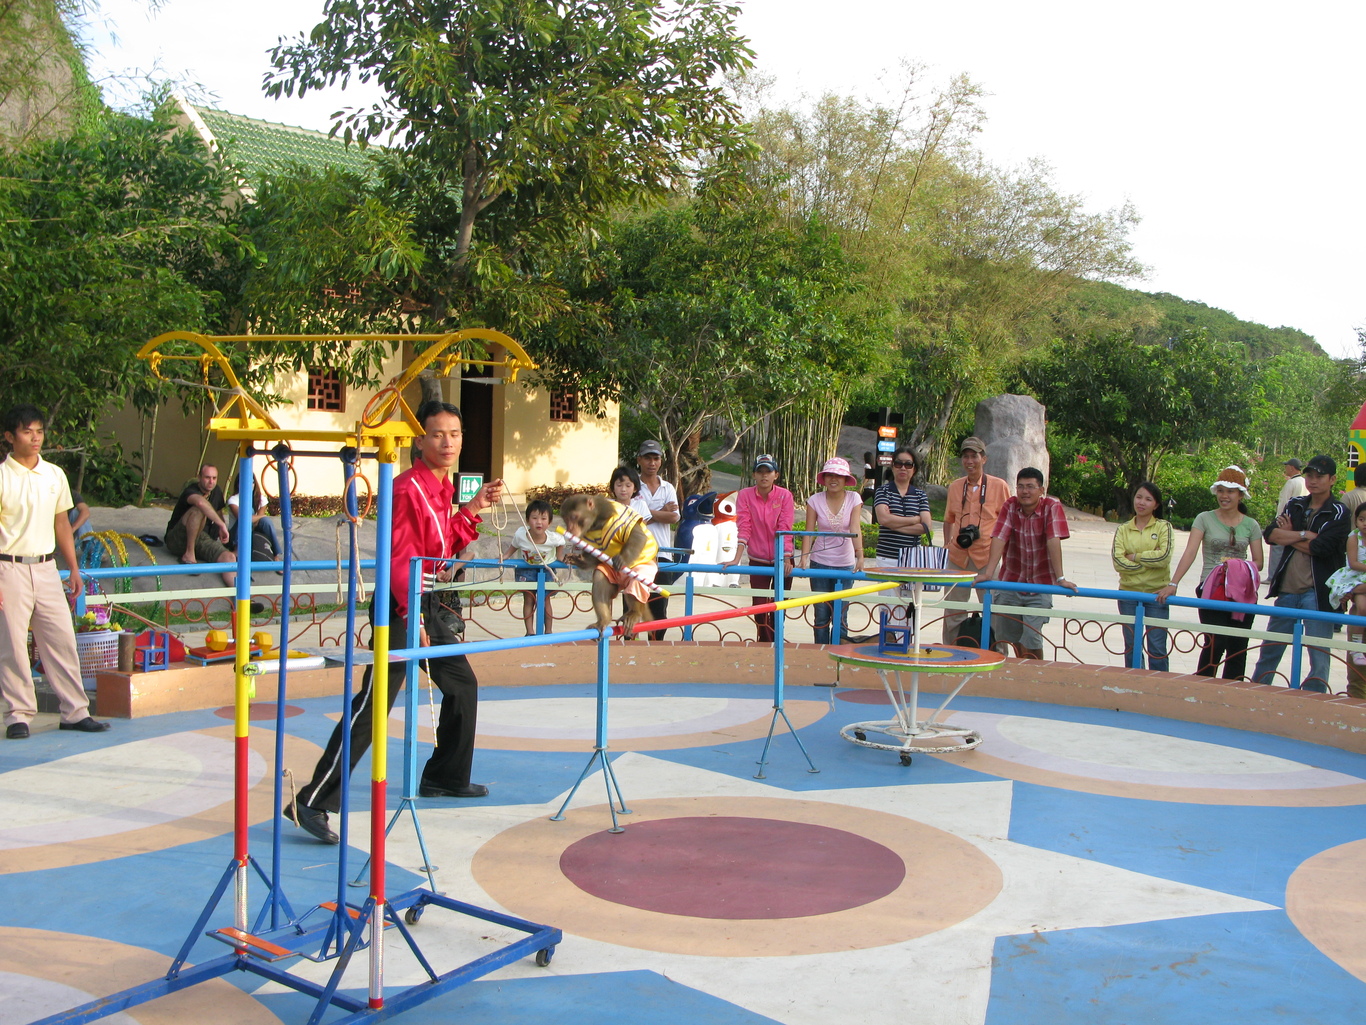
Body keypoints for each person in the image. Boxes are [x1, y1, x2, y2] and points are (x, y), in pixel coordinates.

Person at [287, 400, 504, 844]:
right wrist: (412, 614)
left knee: (461, 685)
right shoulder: (408, 489)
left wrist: (473, 507)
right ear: (419, 441)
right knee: (374, 704)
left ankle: (444, 776)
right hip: (402, 602)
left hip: (426, 599)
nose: (448, 442)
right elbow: (402, 558)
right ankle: (311, 800)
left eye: (455, 434)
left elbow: (439, 545)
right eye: (438, 434)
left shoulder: (441, 486)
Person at [0, 404, 110, 738]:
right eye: (27, 432)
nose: (35, 438)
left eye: (39, 431)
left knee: (61, 638)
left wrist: (73, 569)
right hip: (8, 567)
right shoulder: (2, 476)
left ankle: (75, 712)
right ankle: (18, 715)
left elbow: (61, 523)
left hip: (47, 567)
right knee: (13, 644)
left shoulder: (54, 474)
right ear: (9, 437)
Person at [1250, 455, 1349, 692]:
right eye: (1309, 476)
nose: (1313, 481)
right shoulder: (1295, 504)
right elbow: (1271, 535)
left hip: (1317, 592)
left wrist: (1290, 535)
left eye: (1319, 476)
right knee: (1270, 649)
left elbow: (1322, 548)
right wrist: (1304, 535)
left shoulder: (1338, 511)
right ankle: (1256, 693)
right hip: (1287, 589)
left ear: (1332, 479)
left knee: (1319, 655)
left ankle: (1314, 700)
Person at [1158, 466, 1264, 680]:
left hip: (1242, 591)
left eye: (1230, 491)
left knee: (1238, 647)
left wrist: (1236, 566)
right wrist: (1173, 583)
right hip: (1211, 588)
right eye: (1221, 490)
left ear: (1241, 494)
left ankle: (1232, 691)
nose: (1224, 496)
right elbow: (1190, 552)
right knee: (1215, 642)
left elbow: (1259, 562)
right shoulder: (1204, 518)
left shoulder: (1251, 525)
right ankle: (1203, 687)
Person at [974, 467, 1077, 660]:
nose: (1025, 491)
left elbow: (1053, 539)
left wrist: (1060, 578)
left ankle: (1036, 672)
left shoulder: (1051, 506)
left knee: (1032, 637)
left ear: (1041, 490)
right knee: (1010, 636)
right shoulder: (1010, 506)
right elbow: (999, 537)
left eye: (1030, 487)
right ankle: (1022, 668)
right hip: (1012, 581)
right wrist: (988, 573)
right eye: (1020, 486)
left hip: (1040, 584)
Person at [941, 437, 1011, 644]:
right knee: (953, 610)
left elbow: (1008, 522)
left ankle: (997, 651)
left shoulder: (999, 486)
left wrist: (1005, 555)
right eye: (965, 456)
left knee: (994, 610)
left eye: (974, 456)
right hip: (958, 556)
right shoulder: (955, 486)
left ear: (984, 458)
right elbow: (948, 519)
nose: (969, 461)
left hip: (987, 557)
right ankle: (951, 649)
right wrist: (947, 544)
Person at [726, 454, 795, 643]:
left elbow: (785, 527)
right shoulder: (745, 495)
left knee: (779, 606)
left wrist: (786, 558)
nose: (764, 475)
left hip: (783, 557)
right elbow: (744, 526)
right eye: (760, 471)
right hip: (758, 558)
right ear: (754, 475)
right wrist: (736, 558)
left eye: (768, 472)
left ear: (776, 475)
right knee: (759, 606)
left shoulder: (785, 495)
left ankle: (776, 643)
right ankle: (766, 644)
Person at [799, 457, 864, 645]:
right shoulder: (815, 500)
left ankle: (839, 654)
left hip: (845, 564)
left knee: (841, 616)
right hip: (820, 562)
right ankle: (820, 654)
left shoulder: (854, 498)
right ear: (824, 478)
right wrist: (804, 558)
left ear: (846, 479)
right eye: (829, 475)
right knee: (821, 615)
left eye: (838, 476)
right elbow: (809, 531)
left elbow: (855, 527)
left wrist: (860, 555)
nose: (833, 479)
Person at [1112, 481, 1174, 671]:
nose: (1141, 502)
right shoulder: (1123, 529)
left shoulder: (1164, 527)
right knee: (1131, 646)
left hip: (1157, 594)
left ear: (1156, 505)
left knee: (1157, 647)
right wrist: (1147, 565)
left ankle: (1158, 684)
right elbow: (1118, 562)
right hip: (1129, 594)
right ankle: (1134, 682)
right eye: (1139, 497)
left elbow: (1163, 557)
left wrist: (1135, 557)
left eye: (1148, 499)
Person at [165, 464, 240, 587]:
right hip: (178, 538)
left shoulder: (216, 491)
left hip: (202, 538)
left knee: (229, 557)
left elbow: (219, 512)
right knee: (199, 509)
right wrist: (221, 524)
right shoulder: (190, 490)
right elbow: (200, 502)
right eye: (207, 477)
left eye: (214, 478)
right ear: (199, 477)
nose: (211, 482)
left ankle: (239, 595)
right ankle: (189, 554)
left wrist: (222, 530)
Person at [635, 440, 679, 640]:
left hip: (663, 555)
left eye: (656, 458)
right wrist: (662, 511)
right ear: (639, 460)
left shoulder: (668, 487)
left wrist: (645, 513)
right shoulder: (632, 486)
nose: (652, 463)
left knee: (659, 606)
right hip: (637, 555)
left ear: (661, 461)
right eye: (647, 458)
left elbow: (674, 517)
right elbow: (632, 518)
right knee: (634, 603)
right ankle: (630, 647)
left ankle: (656, 646)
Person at [504, 499, 564, 635]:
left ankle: (548, 632)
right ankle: (530, 632)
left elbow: (562, 542)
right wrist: (506, 555)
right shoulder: (521, 534)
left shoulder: (553, 538)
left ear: (549, 522)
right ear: (527, 520)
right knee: (528, 599)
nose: (539, 522)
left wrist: (559, 556)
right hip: (526, 569)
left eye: (543, 518)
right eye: (534, 518)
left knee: (545, 600)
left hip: (546, 570)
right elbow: (514, 545)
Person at [872, 446, 932, 565]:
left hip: (913, 558)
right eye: (898, 464)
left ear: (914, 469)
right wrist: (914, 520)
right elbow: (883, 519)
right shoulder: (883, 491)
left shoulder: (920, 495)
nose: (903, 468)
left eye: (908, 464)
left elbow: (926, 527)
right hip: (887, 557)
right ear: (892, 467)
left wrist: (893, 526)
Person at [1325, 502, 1366, 668]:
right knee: (1362, 607)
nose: (1365, 523)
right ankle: (1356, 646)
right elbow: (1353, 563)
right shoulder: (1354, 537)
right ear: (1356, 521)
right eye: (1362, 519)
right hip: (1357, 575)